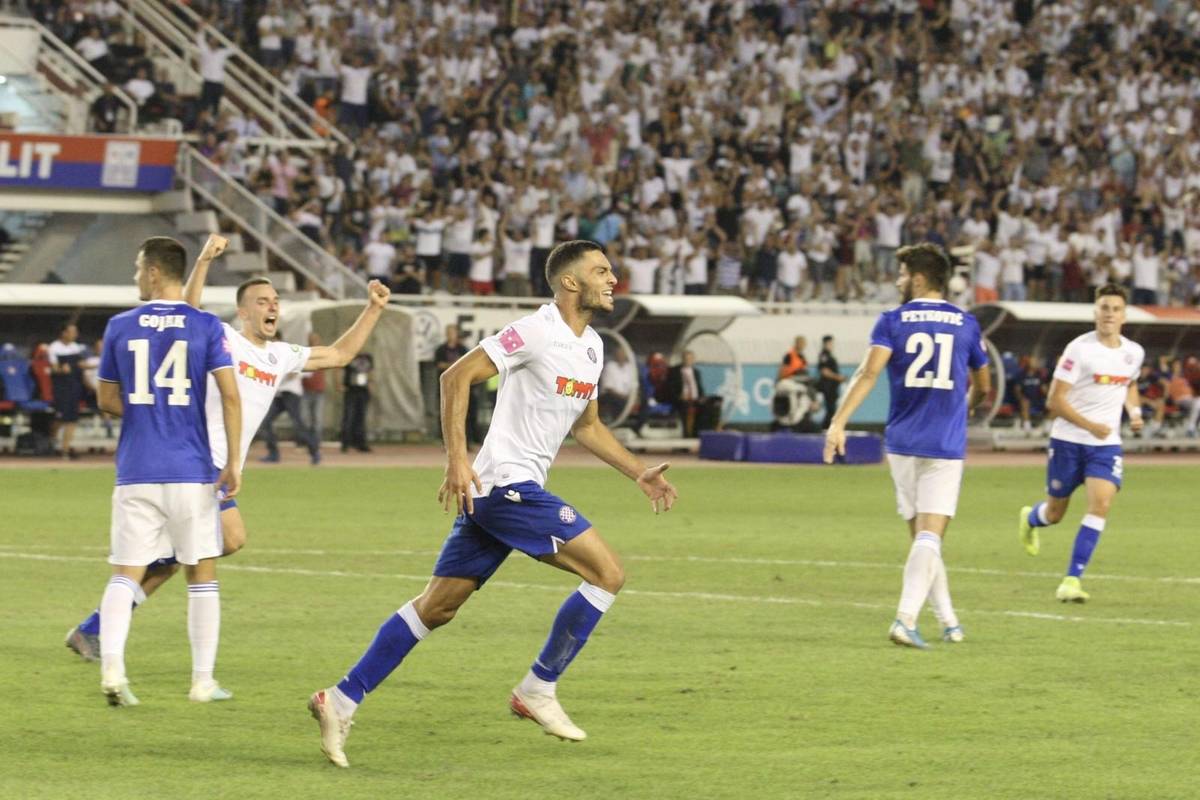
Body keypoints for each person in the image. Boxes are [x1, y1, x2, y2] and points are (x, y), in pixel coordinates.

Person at [308, 240, 678, 768]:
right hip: (505, 484)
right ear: (570, 282)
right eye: (601, 270)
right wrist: (457, 460)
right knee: (608, 573)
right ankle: (537, 688)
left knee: (438, 607)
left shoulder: (592, 346)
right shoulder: (535, 330)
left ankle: (339, 699)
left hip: (498, 495)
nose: (613, 277)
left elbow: (588, 426)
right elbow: (454, 376)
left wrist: (638, 470)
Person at [66, 236, 391, 664]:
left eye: (275, 301)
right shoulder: (220, 338)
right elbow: (187, 311)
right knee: (228, 539)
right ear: (242, 310)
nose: (271, 306)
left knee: (172, 561)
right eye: (261, 300)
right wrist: (202, 261)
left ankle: (95, 629)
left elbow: (339, 354)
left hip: (211, 469)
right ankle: (160, 656)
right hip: (196, 462)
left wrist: (373, 309)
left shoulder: (279, 356)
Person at [92, 236, 243, 707]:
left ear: (155, 272)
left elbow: (106, 399)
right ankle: (202, 681)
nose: (136, 275)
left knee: (125, 572)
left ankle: (113, 669)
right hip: (191, 469)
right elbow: (231, 396)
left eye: (139, 268)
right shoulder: (205, 326)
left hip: (137, 468)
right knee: (201, 572)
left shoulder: (119, 326)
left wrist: (144, 412)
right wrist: (233, 462)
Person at [824, 243, 991, 648]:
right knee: (931, 537)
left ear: (918, 279)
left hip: (900, 442)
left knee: (923, 538)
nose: (897, 282)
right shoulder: (966, 324)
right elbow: (984, 387)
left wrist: (838, 422)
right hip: (943, 443)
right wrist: (965, 408)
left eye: (901, 275)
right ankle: (905, 619)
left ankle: (949, 621)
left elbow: (868, 372)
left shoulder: (892, 321)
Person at [1017, 284, 1145, 603]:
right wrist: (1090, 425)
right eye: (1104, 308)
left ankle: (1072, 579)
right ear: (1095, 312)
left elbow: (1129, 385)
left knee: (1101, 504)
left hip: (1106, 446)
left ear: (1124, 315)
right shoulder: (1079, 350)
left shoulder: (1134, 353)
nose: (1109, 314)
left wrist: (1135, 411)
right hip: (1068, 441)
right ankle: (1032, 518)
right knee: (1055, 512)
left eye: (1115, 309)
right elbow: (1054, 401)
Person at [259, 367, 320, 464]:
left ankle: (315, 452)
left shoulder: (296, 353)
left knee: (298, 425)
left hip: (292, 394)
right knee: (265, 422)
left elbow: (309, 371)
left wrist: (297, 372)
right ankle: (273, 454)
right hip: (278, 395)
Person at [48, 322, 87, 459]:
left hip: (74, 386)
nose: (75, 334)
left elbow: (81, 365)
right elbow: (53, 368)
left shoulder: (75, 347)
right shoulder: (54, 347)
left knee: (72, 419)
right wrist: (61, 369)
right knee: (60, 418)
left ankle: (65, 449)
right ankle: (51, 440)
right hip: (61, 388)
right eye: (72, 331)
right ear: (64, 333)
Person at [435, 324, 478, 444]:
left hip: (462, 387)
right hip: (446, 389)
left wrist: (449, 366)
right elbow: (439, 365)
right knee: (446, 415)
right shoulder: (441, 349)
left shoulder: (463, 349)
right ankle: (446, 442)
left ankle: (467, 442)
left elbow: (466, 366)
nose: (451, 335)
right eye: (449, 332)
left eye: (453, 332)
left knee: (466, 415)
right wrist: (455, 365)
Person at [662, 350, 705, 437]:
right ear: (682, 359)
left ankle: (698, 434)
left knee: (707, 408)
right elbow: (669, 387)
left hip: (695, 398)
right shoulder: (674, 371)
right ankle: (686, 435)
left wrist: (702, 397)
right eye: (686, 358)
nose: (688, 360)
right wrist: (679, 396)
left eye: (690, 359)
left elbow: (699, 387)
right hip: (681, 399)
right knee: (684, 408)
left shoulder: (696, 372)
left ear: (693, 360)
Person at [340, 353, 373, 452]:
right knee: (348, 417)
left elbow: (370, 372)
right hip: (351, 390)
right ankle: (345, 443)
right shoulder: (349, 355)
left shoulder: (368, 357)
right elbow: (338, 369)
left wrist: (371, 386)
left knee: (361, 418)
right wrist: (339, 384)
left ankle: (360, 443)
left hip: (363, 390)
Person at [599, 345, 637, 422]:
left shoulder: (629, 368)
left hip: (627, 397)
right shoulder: (610, 366)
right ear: (615, 355)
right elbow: (608, 388)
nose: (621, 356)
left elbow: (633, 385)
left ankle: (638, 427)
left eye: (623, 354)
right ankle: (618, 422)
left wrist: (633, 397)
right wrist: (623, 397)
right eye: (619, 354)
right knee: (617, 401)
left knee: (643, 401)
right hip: (610, 395)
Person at [816, 335, 844, 429]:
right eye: (831, 343)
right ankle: (826, 428)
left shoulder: (829, 355)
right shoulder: (824, 355)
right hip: (828, 386)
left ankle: (827, 427)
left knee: (831, 409)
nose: (832, 345)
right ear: (826, 343)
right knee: (830, 409)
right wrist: (837, 377)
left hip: (832, 386)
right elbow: (824, 371)